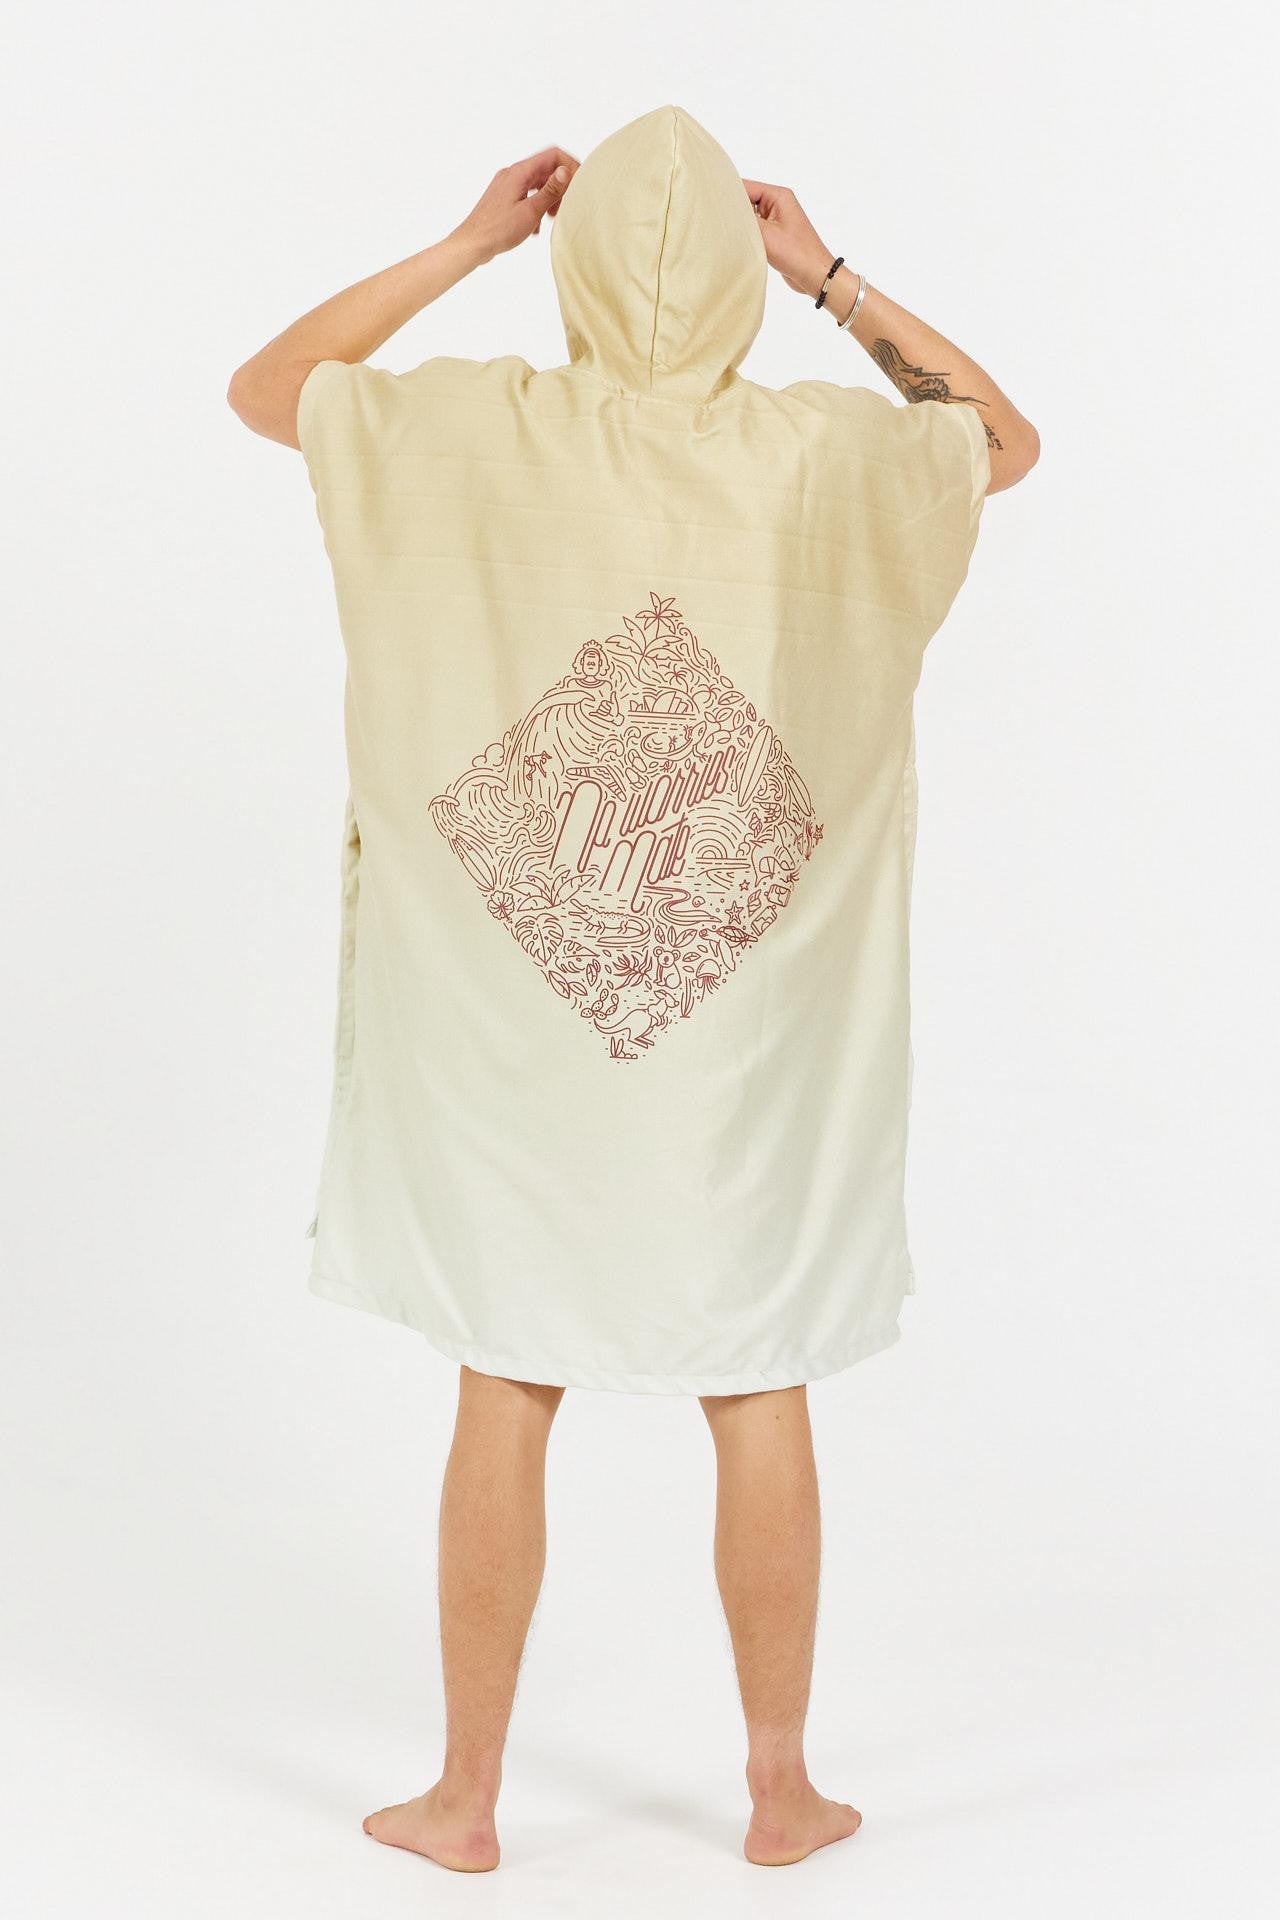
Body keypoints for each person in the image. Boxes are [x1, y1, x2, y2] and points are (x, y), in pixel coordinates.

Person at [227, 105, 1038, 1875]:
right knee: (758, 1375)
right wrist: (828, 276)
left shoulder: (470, 429)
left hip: (518, 1046)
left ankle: (465, 1801)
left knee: (505, 1376)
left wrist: (468, 245)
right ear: (741, 280)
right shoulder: (823, 454)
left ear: (574, 271)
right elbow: (1001, 440)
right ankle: (781, 1791)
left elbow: (270, 389)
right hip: (743, 1052)